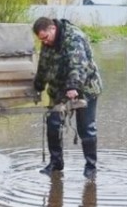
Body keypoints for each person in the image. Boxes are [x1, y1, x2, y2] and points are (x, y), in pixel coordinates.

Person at [32, 17, 102, 178]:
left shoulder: (73, 37)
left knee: (86, 128)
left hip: (85, 88)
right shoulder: (46, 42)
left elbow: (78, 64)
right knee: (53, 123)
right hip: (59, 89)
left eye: (45, 38)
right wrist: (38, 86)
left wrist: (73, 86)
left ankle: (91, 167)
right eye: (41, 39)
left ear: (52, 29)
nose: (44, 42)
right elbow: (44, 65)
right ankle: (56, 163)